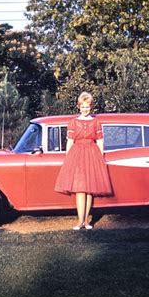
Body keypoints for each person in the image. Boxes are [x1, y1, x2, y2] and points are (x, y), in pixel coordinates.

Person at [54, 92, 113, 230]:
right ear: (78, 106)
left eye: (87, 106)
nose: (85, 109)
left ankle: (86, 221)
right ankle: (80, 221)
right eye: (83, 106)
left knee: (89, 190)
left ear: (91, 107)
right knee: (80, 190)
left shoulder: (96, 122)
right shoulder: (73, 122)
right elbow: (69, 142)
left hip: (92, 155)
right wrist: (68, 159)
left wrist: (100, 158)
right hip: (77, 155)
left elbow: (100, 141)